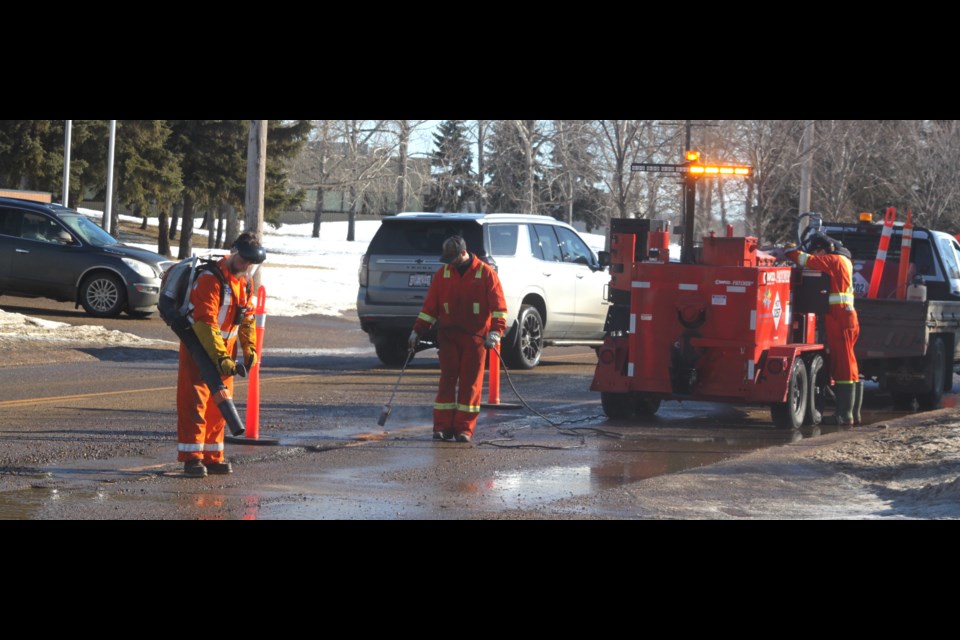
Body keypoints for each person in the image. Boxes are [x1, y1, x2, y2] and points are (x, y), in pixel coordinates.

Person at [176, 232, 266, 477]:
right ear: (233, 252)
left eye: (251, 263)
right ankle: (192, 458)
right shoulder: (210, 279)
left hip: (226, 352)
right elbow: (206, 324)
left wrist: (250, 348)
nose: (246, 266)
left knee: (220, 405)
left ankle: (213, 456)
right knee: (195, 402)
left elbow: (247, 318)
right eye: (244, 260)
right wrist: (221, 358)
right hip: (199, 349)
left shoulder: (246, 283)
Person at [409, 235, 508, 443]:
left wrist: (495, 332)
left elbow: (499, 308)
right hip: (448, 338)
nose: (450, 263)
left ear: (464, 253)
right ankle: (442, 427)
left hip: (475, 340)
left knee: (470, 384)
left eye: (453, 258)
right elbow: (430, 308)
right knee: (447, 382)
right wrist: (418, 330)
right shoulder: (443, 274)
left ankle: (464, 429)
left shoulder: (486, 274)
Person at [781, 233, 862, 425]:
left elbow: (806, 260)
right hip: (846, 317)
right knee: (850, 363)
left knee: (843, 365)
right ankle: (852, 414)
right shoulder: (845, 261)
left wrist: (790, 250)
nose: (816, 255)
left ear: (822, 250)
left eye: (816, 251)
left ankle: (844, 415)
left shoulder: (833, 260)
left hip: (840, 318)